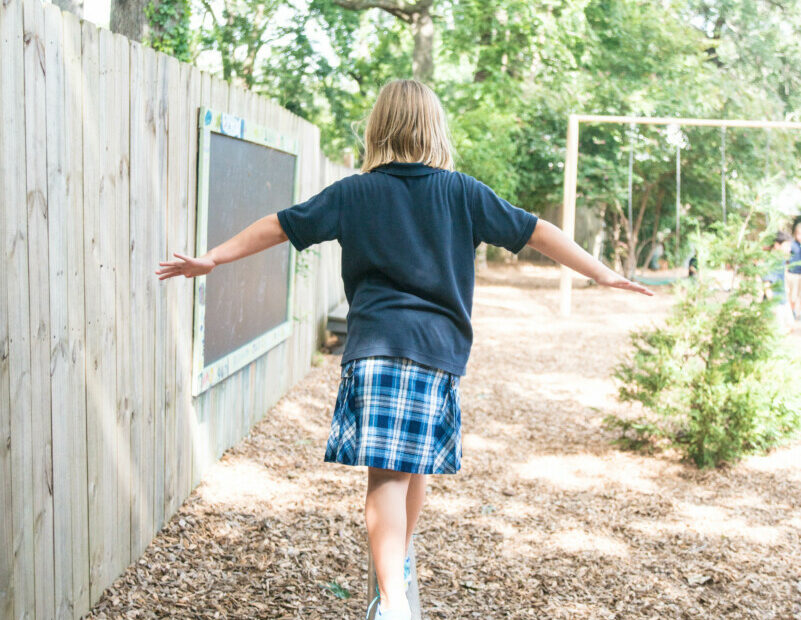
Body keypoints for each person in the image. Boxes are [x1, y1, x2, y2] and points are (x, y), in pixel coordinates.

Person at [154, 79, 653, 620]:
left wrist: (214, 258)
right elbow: (538, 232)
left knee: (395, 473)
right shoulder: (461, 191)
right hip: (436, 354)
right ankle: (396, 584)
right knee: (406, 469)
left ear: (377, 129)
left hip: (376, 348)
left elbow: (279, 226)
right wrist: (602, 273)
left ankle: (392, 594)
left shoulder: (355, 192)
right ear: (435, 128)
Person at [762, 231, 794, 332]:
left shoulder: (782, 260)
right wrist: (772, 306)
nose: (789, 249)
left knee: (790, 326)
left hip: (783, 299)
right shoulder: (769, 262)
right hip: (775, 302)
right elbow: (766, 285)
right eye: (787, 245)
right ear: (777, 245)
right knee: (778, 331)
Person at [787, 220, 801, 320]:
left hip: (800, 274)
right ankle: (791, 312)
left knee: (797, 295)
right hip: (792, 274)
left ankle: (794, 311)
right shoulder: (792, 245)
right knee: (792, 295)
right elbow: (786, 257)